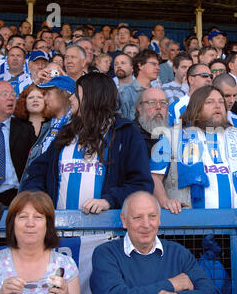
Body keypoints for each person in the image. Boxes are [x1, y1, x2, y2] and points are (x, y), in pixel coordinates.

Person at [21, 72, 154, 212]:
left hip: (106, 232)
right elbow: (36, 171)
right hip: (59, 231)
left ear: (93, 97)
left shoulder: (125, 133)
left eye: (76, 93)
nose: (71, 98)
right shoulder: (65, 133)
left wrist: (109, 201)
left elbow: (141, 184)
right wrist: (40, 200)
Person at [151, 85, 237, 215]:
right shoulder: (171, 137)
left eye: (221, 102)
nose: (218, 106)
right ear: (195, 109)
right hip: (191, 225)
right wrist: (165, 202)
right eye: (210, 102)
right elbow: (154, 177)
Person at [90, 191, 221, 294]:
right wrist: (171, 285)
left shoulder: (179, 253)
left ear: (159, 219)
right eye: (138, 217)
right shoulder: (106, 253)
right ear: (124, 220)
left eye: (152, 216)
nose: (146, 225)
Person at [0, 190, 81, 294]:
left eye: (38, 217)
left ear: (48, 225)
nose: (30, 224)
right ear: (12, 223)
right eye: (23, 217)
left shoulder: (66, 264)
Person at [0, 81, 35, 206]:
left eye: (13, 94)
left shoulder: (26, 129)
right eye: (4, 94)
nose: (11, 98)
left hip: (19, 196)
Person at [119, 49, 161, 121]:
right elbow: (122, 122)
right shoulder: (125, 91)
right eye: (153, 64)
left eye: (158, 64)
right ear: (140, 65)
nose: (158, 68)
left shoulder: (157, 93)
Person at [134, 87, 169, 157]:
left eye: (163, 103)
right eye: (152, 103)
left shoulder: (172, 136)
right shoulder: (131, 137)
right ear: (140, 108)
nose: (158, 107)